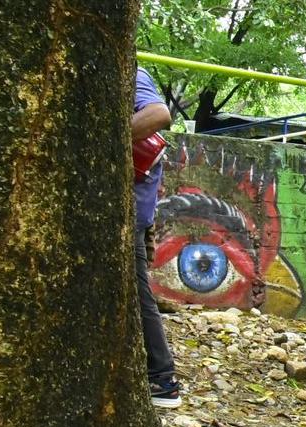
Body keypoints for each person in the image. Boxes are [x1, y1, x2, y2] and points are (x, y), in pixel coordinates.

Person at [132, 66, 183, 408]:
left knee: (137, 289)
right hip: (137, 204)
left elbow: (160, 113)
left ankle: (162, 377)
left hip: (131, 207)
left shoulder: (133, 73)